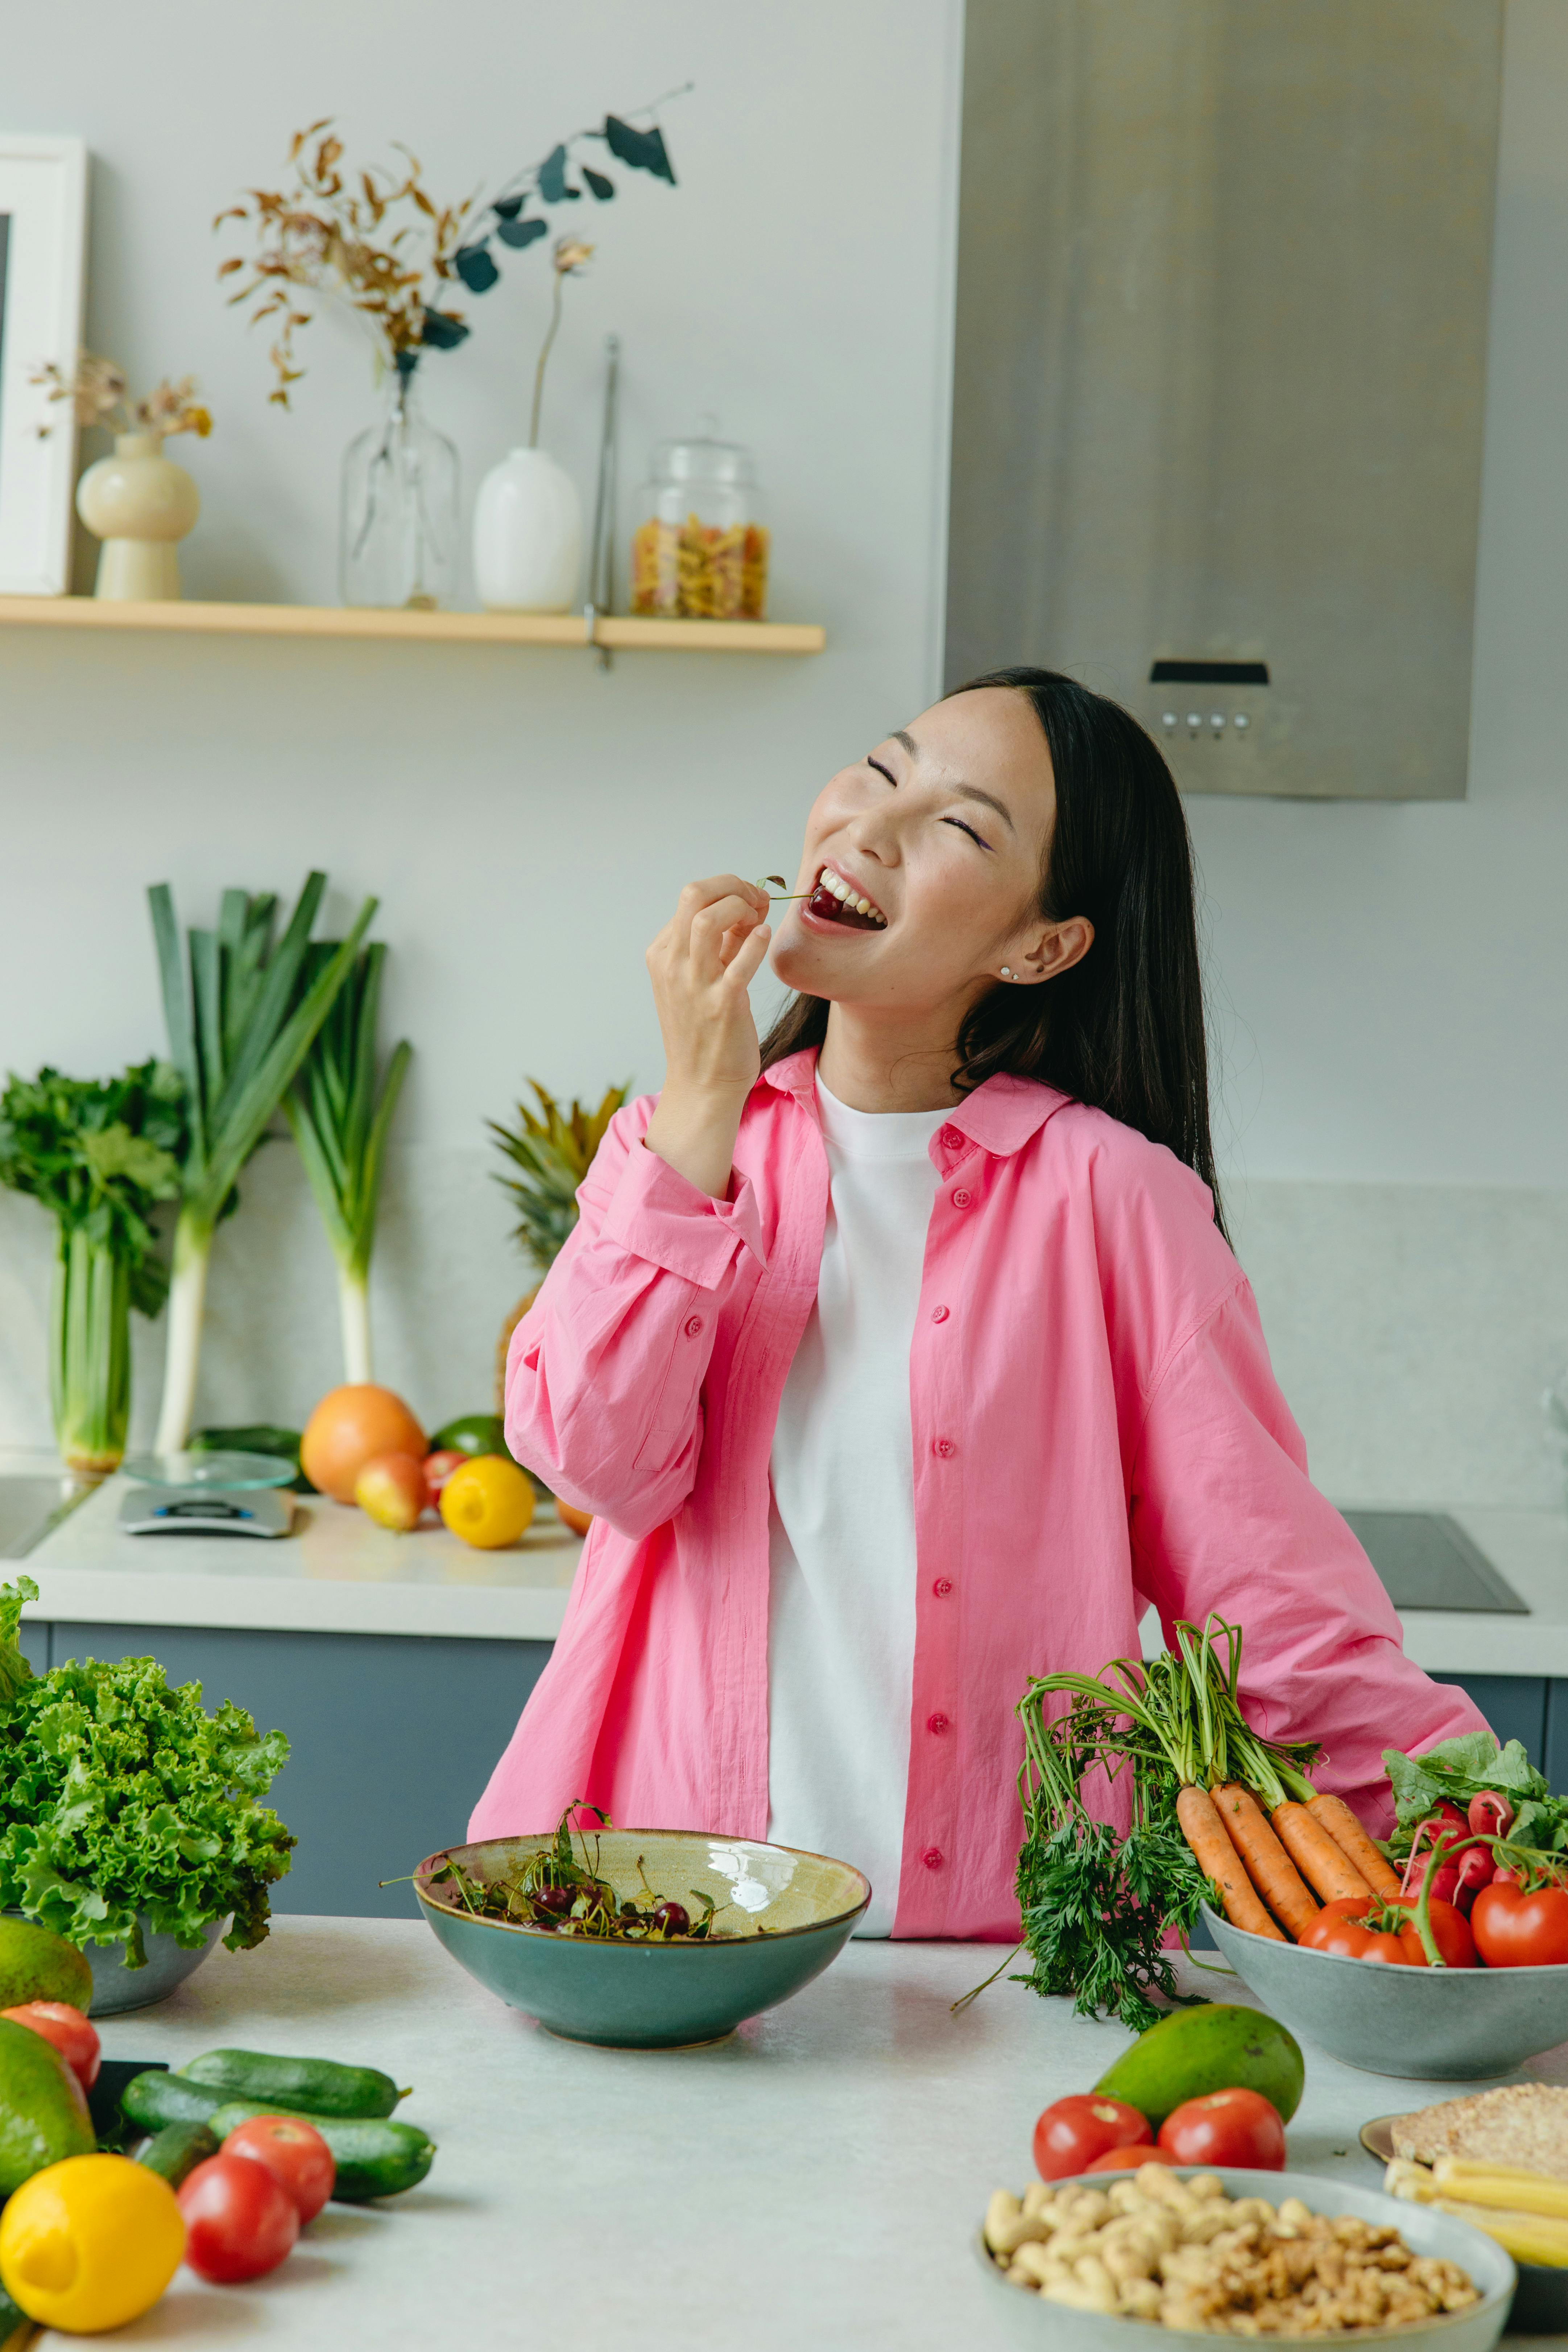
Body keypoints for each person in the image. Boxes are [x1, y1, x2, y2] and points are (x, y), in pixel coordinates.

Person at [469, 667, 1485, 1938]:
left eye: (958, 825)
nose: (872, 826)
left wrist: (1498, 1846)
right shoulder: (686, 1154)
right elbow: (592, 1460)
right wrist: (694, 1106)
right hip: (673, 1948)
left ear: (1041, 946)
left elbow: (1278, 1626)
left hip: (995, 1971)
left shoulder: (1116, 1204)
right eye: (884, 771)